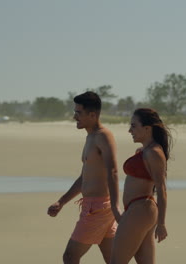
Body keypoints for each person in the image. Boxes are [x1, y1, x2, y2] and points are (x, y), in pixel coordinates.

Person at [47, 91, 121, 264]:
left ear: (92, 115)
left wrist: (116, 207)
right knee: (113, 260)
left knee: (70, 256)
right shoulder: (91, 137)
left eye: (78, 113)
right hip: (97, 205)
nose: (75, 117)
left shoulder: (103, 135)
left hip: (98, 208)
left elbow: (113, 171)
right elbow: (84, 177)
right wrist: (62, 201)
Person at [111, 108, 171, 264]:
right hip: (139, 209)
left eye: (133, 126)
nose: (129, 130)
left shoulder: (154, 152)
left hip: (141, 209)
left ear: (147, 128)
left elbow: (162, 189)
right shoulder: (144, 150)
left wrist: (162, 223)